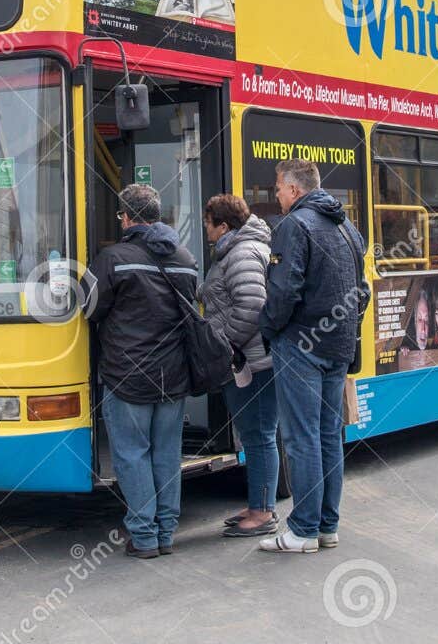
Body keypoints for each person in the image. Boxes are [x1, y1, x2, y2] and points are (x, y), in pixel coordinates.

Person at [257, 158, 368, 554]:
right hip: (339, 345)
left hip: (301, 345)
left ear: (294, 189)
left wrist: (268, 327)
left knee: (300, 438)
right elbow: (363, 291)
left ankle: (302, 530)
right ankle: (326, 526)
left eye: (278, 187)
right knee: (327, 436)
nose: (276, 194)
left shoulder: (293, 226)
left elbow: (283, 291)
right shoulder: (347, 227)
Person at [85, 183, 197, 559]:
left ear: (127, 217)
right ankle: (165, 533)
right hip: (174, 372)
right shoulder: (184, 257)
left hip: (127, 373)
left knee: (133, 453)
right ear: (157, 215)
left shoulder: (113, 258)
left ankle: (144, 536)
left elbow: (90, 310)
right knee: (167, 452)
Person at [198, 194, 276, 538]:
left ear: (224, 225)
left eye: (207, 223)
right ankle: (259, 504)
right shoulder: (236, 250)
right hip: (247, 359)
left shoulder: (242, 253)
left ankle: (263, 513)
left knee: (258, 435)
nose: (206, 229)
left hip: (252, 363)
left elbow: (251, 306)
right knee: (254, 435)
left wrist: (225, 346)